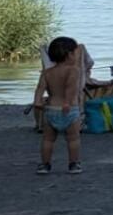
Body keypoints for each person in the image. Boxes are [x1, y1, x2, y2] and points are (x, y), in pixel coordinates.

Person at [34, 37, 87, 174]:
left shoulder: (47, 72)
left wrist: (38, 101)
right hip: (68, 110)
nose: (77, 55)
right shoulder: (73, 70)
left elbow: (40, 88)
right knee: (73, 139)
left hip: (51, 110)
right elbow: (71, 88)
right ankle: (73, 164)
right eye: (76, 52)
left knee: (48, 139)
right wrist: (67, 102)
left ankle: (45, 165)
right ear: (69, 54)